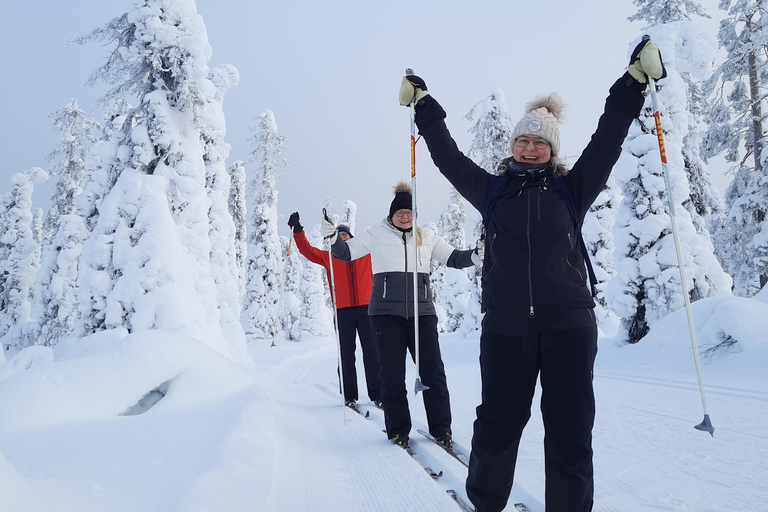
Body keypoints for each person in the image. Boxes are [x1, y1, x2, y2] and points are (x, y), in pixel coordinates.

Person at [397, 38, 667, 512]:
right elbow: (447, 156)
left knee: (569, 429)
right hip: (506, 326)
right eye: (523, 139)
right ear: (513, 145)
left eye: (540, 141)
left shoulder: (571, 189)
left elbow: (608, 138)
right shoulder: (493, 191)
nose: (530, 146)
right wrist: (424, 106)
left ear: (551, 150)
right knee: (497, 424)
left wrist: (634, 82)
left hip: (568, 323)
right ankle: (484, 504)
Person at [321, 182, 483, 449]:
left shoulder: (426, 236)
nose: (405, 216)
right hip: (386, 315)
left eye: (409, 212)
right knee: (392, 375)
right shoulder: (377, 234)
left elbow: (453, 258)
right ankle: (398, 430)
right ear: (391, 214)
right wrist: (332, 239)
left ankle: (441, 429)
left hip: (423, 315)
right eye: (400, 213)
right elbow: (344, 254)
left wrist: (476, 256)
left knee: (433, 374)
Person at [287, 212, 382, 408]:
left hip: (367, 309)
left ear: (351, 236)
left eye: (345, 234)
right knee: (346, 353)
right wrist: (298, 230)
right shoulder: (329, 257)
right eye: (339, 235)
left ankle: (378, 394)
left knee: (372, 352)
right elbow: (307, 250)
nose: (342, 237)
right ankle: (349, 396)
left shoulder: (365, 253)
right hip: (343, 311)